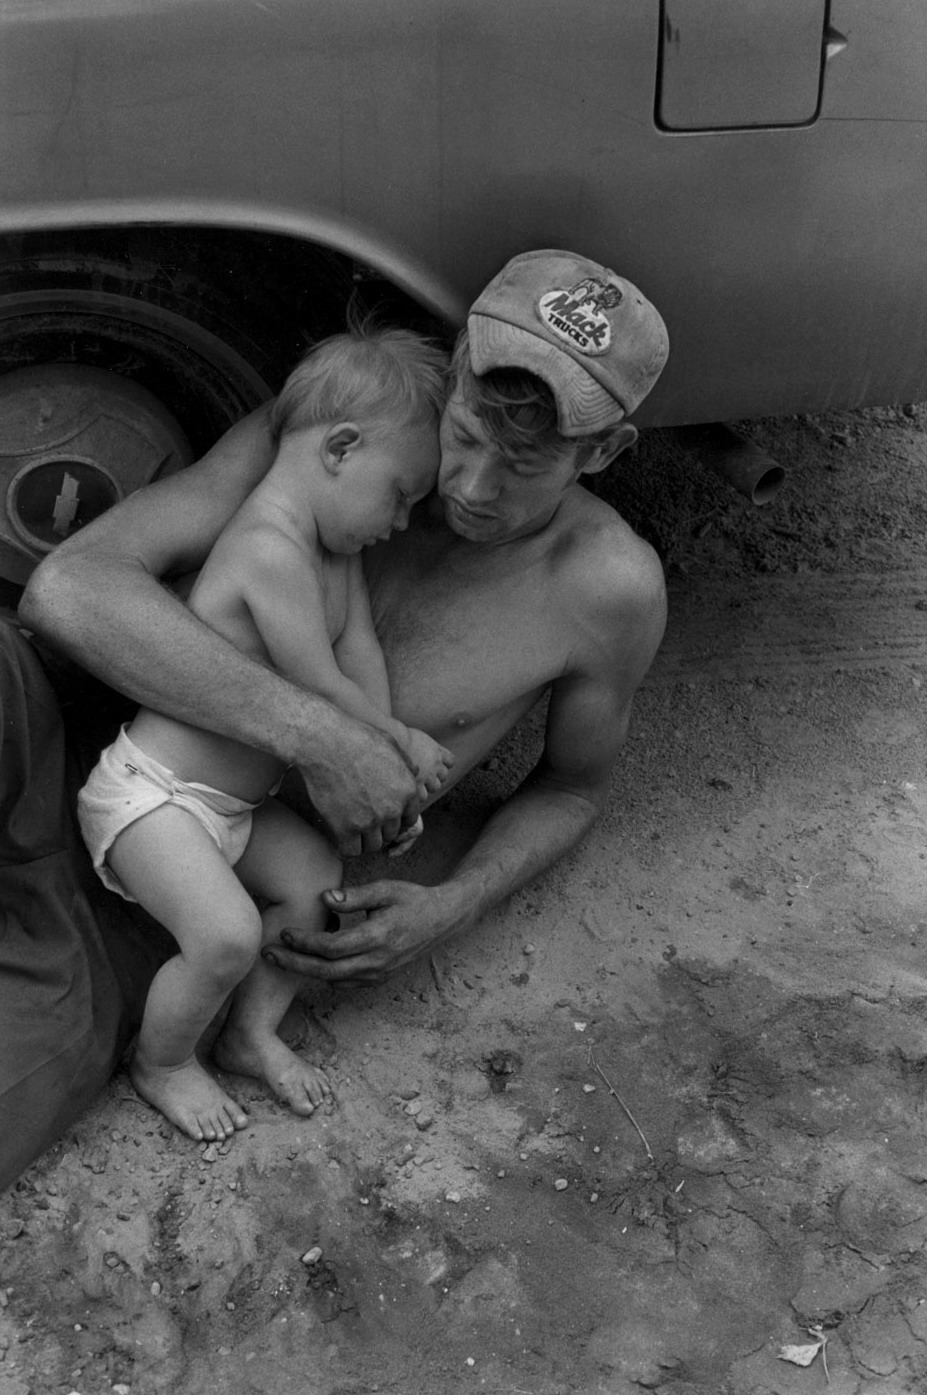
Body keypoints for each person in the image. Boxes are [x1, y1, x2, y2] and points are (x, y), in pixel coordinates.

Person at [3, 247, 668, 1189]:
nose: (470, 487)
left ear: (601, 453)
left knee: (21, 1067)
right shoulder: (339, 429)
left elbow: (573, 787)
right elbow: (69, 592)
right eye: (466, 433)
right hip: (82, 736)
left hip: (197, 884)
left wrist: (450, 905)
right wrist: (321, 738)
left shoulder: (606, 588)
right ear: (454, 373)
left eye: (524, 465)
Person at [76, 325, 452, 1143]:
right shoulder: (267, 548)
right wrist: (398, 738)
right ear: (340, 449)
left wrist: (389, 757)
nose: (401, 520)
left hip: (228, 808)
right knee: (224, 935)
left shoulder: (334, 552)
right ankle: (163, 1060)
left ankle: (248, 1033)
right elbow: (317, 684)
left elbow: (359, 653)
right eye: (400, 494)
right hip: (154, 798)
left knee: (316, 880)